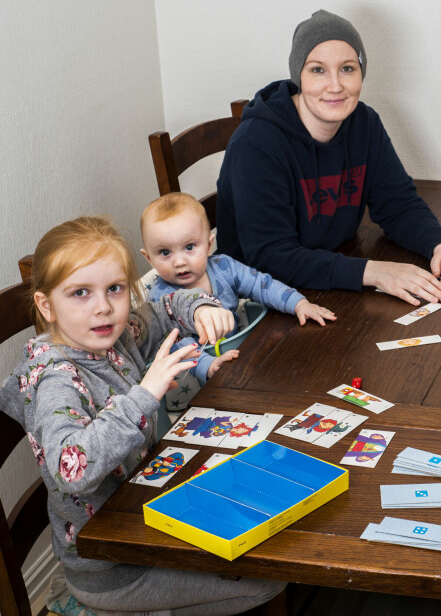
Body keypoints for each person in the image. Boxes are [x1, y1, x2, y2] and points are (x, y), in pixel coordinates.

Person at [0, 217, 286, 613]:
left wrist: (200, 308)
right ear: (46, 306)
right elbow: (71, 468)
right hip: (114, 568)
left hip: (149, 515)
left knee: (268, 531)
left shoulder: (116, 334)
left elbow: (167, 308)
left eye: (115, 289)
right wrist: (144, 395)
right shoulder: (55, 380)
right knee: (267, 580)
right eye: (80, 293)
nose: (103, 307)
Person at [216, 9, 441, 306]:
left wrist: (439, 245)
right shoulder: (256, 144)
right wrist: (373, 272)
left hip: (330, 283)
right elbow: (271, 257)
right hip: (252, 302)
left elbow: (397, 204)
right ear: (299, 76)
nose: (335, 85)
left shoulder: (364, 123)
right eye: (318, 70)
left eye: (347, 68)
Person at [141, 192, 335, 387]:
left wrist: (298, 303)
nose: (179, 261)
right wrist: (208, 365)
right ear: (149, 258)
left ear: (209, 245)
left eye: (189, 247)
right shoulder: (162, 301)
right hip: (195, 379)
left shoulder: (224, 267)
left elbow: (261, 284)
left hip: (243, 356)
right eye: (165, 252)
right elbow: (175, 345)